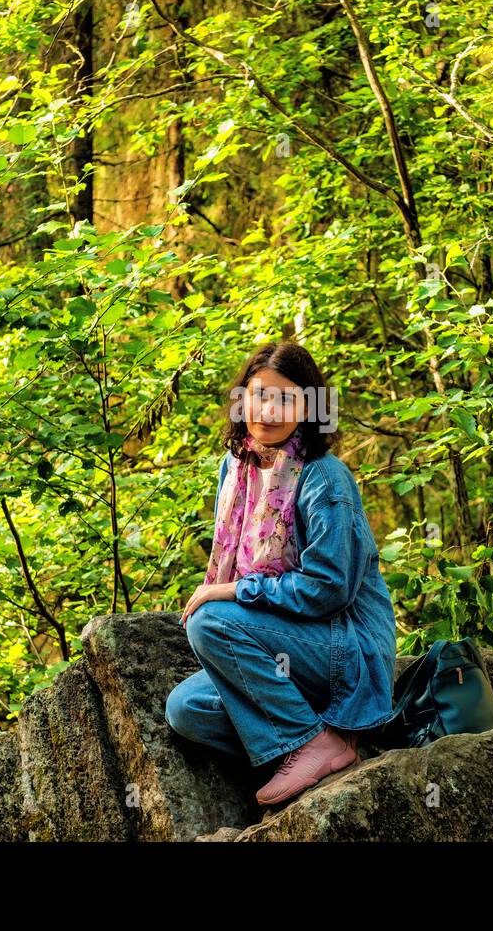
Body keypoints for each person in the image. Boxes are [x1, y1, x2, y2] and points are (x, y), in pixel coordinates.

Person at [164, 340, 398, 807]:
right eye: (259, 395)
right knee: (185, 710)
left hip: (343, 646)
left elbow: (328, 590)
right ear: (241, 400)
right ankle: (319, 733)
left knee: (213, 620)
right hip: (288, 650)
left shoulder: (324, 478)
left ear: (309, 408)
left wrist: (233, 590)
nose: (268, 411)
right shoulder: (234, 469)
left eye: (286, 399)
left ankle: (313, 746)